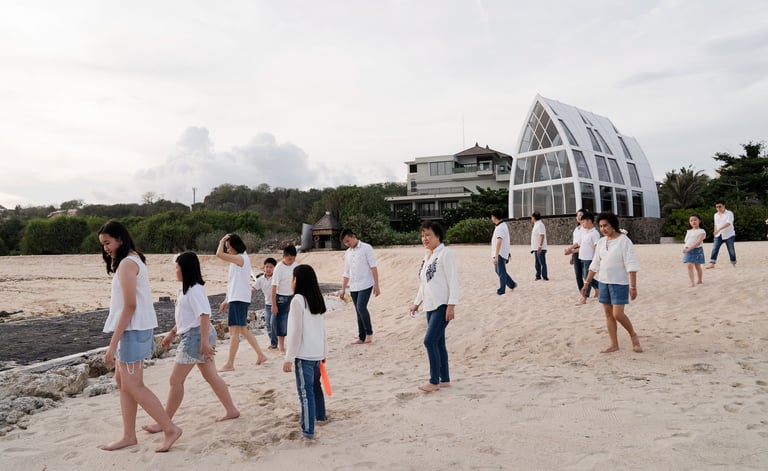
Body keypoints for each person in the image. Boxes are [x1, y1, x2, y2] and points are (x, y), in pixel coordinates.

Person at [97, 220, 182, 452]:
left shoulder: (127, 264)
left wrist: (112, 345)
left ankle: (170, 428)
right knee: (123, 382)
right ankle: (128, 435)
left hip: (132, 330)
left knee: (134, 385)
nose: (105, 247)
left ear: (120, 239)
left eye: (108, 242)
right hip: (132, 329)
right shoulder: (131, 260)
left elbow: (130, 306)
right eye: (103, 244)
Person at [142, 251, 239, 434]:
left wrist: (203, 343)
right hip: (197, 335)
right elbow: (185, 318)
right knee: (211, 376)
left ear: (185, 269)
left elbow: (204, 315)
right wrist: (172, 333)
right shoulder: (186, 289)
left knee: (175, 380)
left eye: (177, 268)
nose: (175, 271)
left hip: (196, 337)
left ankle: (164, 423)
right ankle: (231, 410)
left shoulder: (194, 290)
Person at [409, 221, 459, 393]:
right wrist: (416, 303)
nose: (425, 238)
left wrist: (451, 305)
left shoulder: (445, 254)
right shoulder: (427, 256)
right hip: (429, 306)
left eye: (428, 234)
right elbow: (424, 284)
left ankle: (434, 381)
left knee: (429, 341)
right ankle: (444, 379)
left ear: (438, 235)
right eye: (422, 235)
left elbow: (453, 281)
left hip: (442, 305)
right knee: (438, 342)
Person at [582, 212, 642, 353]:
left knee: (617, 314)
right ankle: (614, 344)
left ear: (613, 225)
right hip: (604, 282)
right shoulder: (602, 242)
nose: (603, 229)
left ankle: (633, 335)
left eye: (606, 225)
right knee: (608, 314)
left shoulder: (624, 241)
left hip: (620, 283)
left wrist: (633, 286)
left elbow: (631, 264)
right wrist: (587, 283)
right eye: (601, 226)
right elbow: (595, 264)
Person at [282, 264, 328, 440]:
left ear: (297, 280)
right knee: (316, 388)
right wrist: (324, 352)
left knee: (305, 393)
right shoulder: (316, 298)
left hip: (304, 355)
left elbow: (295, 332)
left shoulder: (297, 300)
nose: (291, 282)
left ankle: (308, 431)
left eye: (292, 278)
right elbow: (322, 329)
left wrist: (288, 357)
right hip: (317, 353)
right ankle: (321, 417)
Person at [216, 233, 267, 371]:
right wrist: (226, 300)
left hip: (239, 299)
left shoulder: (241, 258)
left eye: (229, 247)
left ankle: (230, 364)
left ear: (234, 246)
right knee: (242, 330)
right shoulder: (239, 260)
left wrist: (222, 240)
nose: (228, 250)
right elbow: (233, 283)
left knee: (234, 331)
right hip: (237, 298)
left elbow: (218, 254)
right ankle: (261, 355)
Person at [339, 228, 380, 344]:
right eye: (345, 243)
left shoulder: (366, 248)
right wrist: (343, 289)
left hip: (366, 284)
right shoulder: (347, 253)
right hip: (354, 286)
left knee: (361, 307)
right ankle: (361, 337)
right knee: (358, 311)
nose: (347, 244)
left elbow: (373, 267)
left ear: (353, 236)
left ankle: (369, 333)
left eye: (348, 241)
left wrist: (377, 285)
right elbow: (346, 272)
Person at [272, 245, 298, 353]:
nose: (291, 261)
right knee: (282, 321)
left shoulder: (296, 266)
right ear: (283, 256)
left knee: (294, 321)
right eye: (289, 259)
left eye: (293, 259)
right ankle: (281, 347)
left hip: (293, 296)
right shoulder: (279, 268)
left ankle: (293, 344)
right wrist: (274, 305)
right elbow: (273, 287)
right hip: (281, 297)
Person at [252, 257, 278, 350]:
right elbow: (253, 289)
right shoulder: (260, 279)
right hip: (267, 305)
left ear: (274, 268)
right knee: (268, 325)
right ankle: (273, 343)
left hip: (278, 304)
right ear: (264, 268)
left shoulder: (276, 278)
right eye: (266, 267)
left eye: (271, 267)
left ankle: (276, 342)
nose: (268, 269)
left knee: (273, 323)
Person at [490, 209, 517, 295]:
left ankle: (502, 290)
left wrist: (496, 256)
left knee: (501, 272)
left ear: (494, 217)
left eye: (491, 216)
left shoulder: (500, 227)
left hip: (500, 253)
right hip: (501, 252)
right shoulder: (501, 225)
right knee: (498, 271)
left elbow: (499, 241)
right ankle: (512, 284)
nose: (491, 218)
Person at [575, 211, 600, 304]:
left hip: (590, 259)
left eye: (583, 222)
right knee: (586, 277)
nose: (582, 224)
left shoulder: (595, 233)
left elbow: (597, 247)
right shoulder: (585, 232)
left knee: (587, 278)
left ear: (589, 221)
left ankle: (584, 297)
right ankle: (601, 287)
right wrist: (571, 250)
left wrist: (595, 259)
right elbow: (580, 244)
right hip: (583, 258)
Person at [706, 200, 736, 269]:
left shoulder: (729, 213)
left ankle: (733, 262)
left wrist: (719, 229)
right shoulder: (715, 215)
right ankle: (712, 263)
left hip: (729, 234)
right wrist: (715, 231)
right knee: (715, 248)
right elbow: (715, 224)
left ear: (724, 206)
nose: (718, 208)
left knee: (731, 249)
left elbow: (729, 223)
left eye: (720, 206)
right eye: (717, 207)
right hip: (718, 235)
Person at [564, 209, 585, 295]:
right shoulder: (577, 229)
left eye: (581, 215)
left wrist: (569, 249)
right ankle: (582, 293)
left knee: (586, 275)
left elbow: (579, 243)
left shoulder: (586, 228)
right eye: (578, 215)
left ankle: (596, 287)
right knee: (578, 275)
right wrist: (572, 255)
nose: (579, 217)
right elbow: (574, 242)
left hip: (583, 251)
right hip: (575, 252)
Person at [682, 214, 706, 287]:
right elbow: (687, 241)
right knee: (689, 266)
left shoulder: (701, 231)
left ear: (699, 221)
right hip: (688, 250)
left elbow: (698, 242)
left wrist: (689, 248)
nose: (693, 222)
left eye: (695, 220)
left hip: (697, 250)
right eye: (691, 220)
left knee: (697, 266)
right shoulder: (689, 231)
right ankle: (692, 282)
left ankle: (699, 280)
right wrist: (685, 248)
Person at [530, 211, 549, 281]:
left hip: (539, 247)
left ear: (534, 217)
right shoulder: (536, 224)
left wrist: (540, 245)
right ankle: (538, 275)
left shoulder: (540, 225)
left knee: (542, 262)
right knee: (537, 263)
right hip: (535, 247)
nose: (531, 218)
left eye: (532, 217)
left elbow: (542, 235)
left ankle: (544, 276)